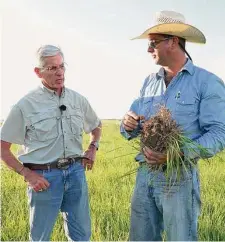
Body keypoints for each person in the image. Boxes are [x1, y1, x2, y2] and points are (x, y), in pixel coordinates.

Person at [121, 10, 225, 241]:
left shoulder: (207, 82)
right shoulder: (149, 82)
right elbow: (134, 125)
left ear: (173, 42)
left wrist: (176, 154)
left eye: (153, 43)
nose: (148, 50)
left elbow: (219, 133)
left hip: (179, 177)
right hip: (145, 175)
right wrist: (128, 125)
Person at [0, 45, 102, 241]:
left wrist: (93, 147)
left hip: (75, 174)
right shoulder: (25, 105)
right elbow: (2, 148)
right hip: (44, 179)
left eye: (62, 66)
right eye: (52, 68)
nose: (60, 72)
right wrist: (27, 174)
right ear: (38, 72)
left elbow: (96, 126)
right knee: (40, 237)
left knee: (82, 236)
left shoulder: (78, 100)